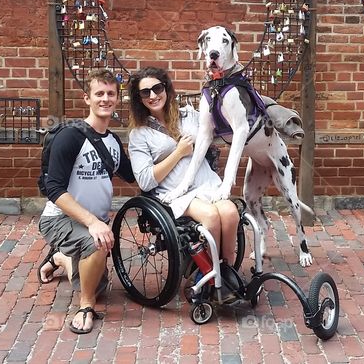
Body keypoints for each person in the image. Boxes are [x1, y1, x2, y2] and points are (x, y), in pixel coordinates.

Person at [127, 67, 241, 299]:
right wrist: (178, 153)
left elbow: (222, 126)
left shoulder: (191, 116)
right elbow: (145, 180)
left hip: (206, 182)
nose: (152, 95)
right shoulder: (139, 134)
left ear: (166, 89)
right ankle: (206, 272)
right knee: (210, 216)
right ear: (139, 99)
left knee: (229, 213)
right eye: (145, 92)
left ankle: (225, 274)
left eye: (157, 88)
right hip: (174, 192)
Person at [37, 68, 135, 334]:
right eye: (99, 93)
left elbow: (135, 177)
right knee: (97, 245)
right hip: (60, 218)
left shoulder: (113, 141)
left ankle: (62, 259)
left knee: (99, 285)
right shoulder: (71, 136)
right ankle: (85, 307)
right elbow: (54, 189)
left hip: (94, 223)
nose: (105, 98)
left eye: (111, 94)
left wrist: (180, 153)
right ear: (87, 98)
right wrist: (92, 222)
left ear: (117, 99)